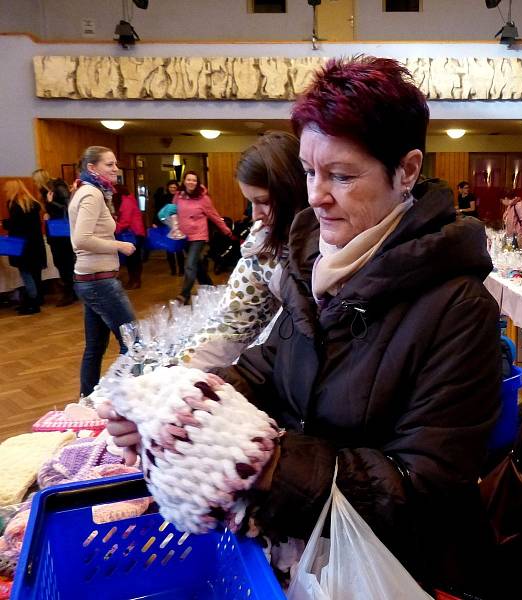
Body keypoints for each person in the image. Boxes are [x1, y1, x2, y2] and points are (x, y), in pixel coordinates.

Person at [103, 56, 501, 596]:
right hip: (303, 550)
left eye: (341, 175)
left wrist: (272, 466)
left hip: (399, 571)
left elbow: (426, 488)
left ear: (406, 171)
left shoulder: (458, 308)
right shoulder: (314, 266)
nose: (315, 194)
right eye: (311, 171)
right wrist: (180, 407)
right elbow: (267, 370)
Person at [176, 131, 308, 369]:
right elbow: (232, 323)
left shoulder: (343, 235)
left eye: (264, 201)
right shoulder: (263, 245)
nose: (256, 215)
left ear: (295, 192)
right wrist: (176, 372)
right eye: (251, 202)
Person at [68, 146, 136, 398]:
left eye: (115, 163)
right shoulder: (91, 194)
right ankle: (119, 398)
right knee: (134, 344)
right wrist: (120, 245)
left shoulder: (90, 191)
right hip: (99, 281)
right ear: (92, 168)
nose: (116, 168)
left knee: (95, 347)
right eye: (109, 164)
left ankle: (88, 401)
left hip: (91, 279)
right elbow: (81, 240)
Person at [172, 171, 235, 304]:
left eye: (194, 180)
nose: (191, 182)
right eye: (188, 180)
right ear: (184, 181)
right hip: (183, 236)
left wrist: (226, 229)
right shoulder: (178, 196)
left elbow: (214, 215)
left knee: (189, 265)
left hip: (198, 235)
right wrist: (172, 227)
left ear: (197, 182)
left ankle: (184, 294)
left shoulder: (203, 198)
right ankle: (210, 288)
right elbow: (173, 213)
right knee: (196, 264)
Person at [32, 169, 77, 306]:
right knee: (62, 262)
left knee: (64, 262)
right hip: (57, 231)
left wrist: (50, 203)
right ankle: (71, 292)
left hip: (60, 232)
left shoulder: (55, 189)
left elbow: (67, 207)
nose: (34, 183)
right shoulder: (51, 189)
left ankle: (69, 293)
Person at [2, 180, 46, 315]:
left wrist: (5, 224)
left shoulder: (14, 205)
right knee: (35, 274)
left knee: (26, 274)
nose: (5, 192)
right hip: (35, 245)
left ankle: (32, 303)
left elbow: (15, 226)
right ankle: (36, 300)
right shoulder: (32, 204)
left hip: (22, 246)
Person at [113, 185, 145, 289]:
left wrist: (115, 227)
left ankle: (135, 281)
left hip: (133, 234)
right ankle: (134, 280)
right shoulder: (128, 199)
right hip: (135, 233)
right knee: (133, 259)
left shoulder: (126, 202)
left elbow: (125, 221)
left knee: (133, 259)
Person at [153, 179, 183, 275]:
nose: (173, 189)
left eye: (174, 187)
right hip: (166, 224)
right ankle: (173, 270)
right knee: (169, 249)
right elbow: (158, 210)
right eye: (171, 187)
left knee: (179, 248)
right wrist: (155, 222)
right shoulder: (163, 198)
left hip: (178, 225)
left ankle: (181, 270)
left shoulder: (181, 198)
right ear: (168, 188)